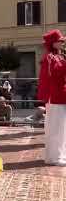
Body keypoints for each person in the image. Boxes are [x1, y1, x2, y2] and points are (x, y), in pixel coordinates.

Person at [38, 29, 66, 166]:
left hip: (60, 95)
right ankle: (54, 157)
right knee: (55, 128)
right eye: (60, 41)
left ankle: (59, 154)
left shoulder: (58, 56)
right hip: (54, 96)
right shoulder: (49, 57)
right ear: (53, 43)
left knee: (61, 128)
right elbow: (52, 76)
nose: (62, 42)